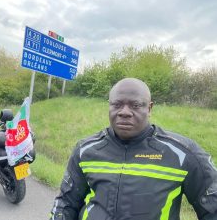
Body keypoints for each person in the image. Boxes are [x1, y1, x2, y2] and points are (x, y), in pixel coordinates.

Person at [49, 78, 217, 220]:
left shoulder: (183, 154)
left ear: (149, 108)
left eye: (135, 105)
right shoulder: (85, 150)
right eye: (117, 104)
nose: (124, 112)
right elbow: (65, 204)